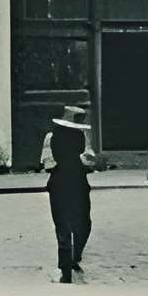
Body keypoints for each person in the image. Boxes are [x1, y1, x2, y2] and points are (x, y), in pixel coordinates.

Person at [45, 109, 93, 283]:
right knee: (83, 223)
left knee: (62, 226)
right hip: (78, 183)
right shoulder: (81, 137)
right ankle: (74, 257)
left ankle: (65, 268)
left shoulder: (51, 137)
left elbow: (48, 164)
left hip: (58, 183)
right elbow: (88, 160)